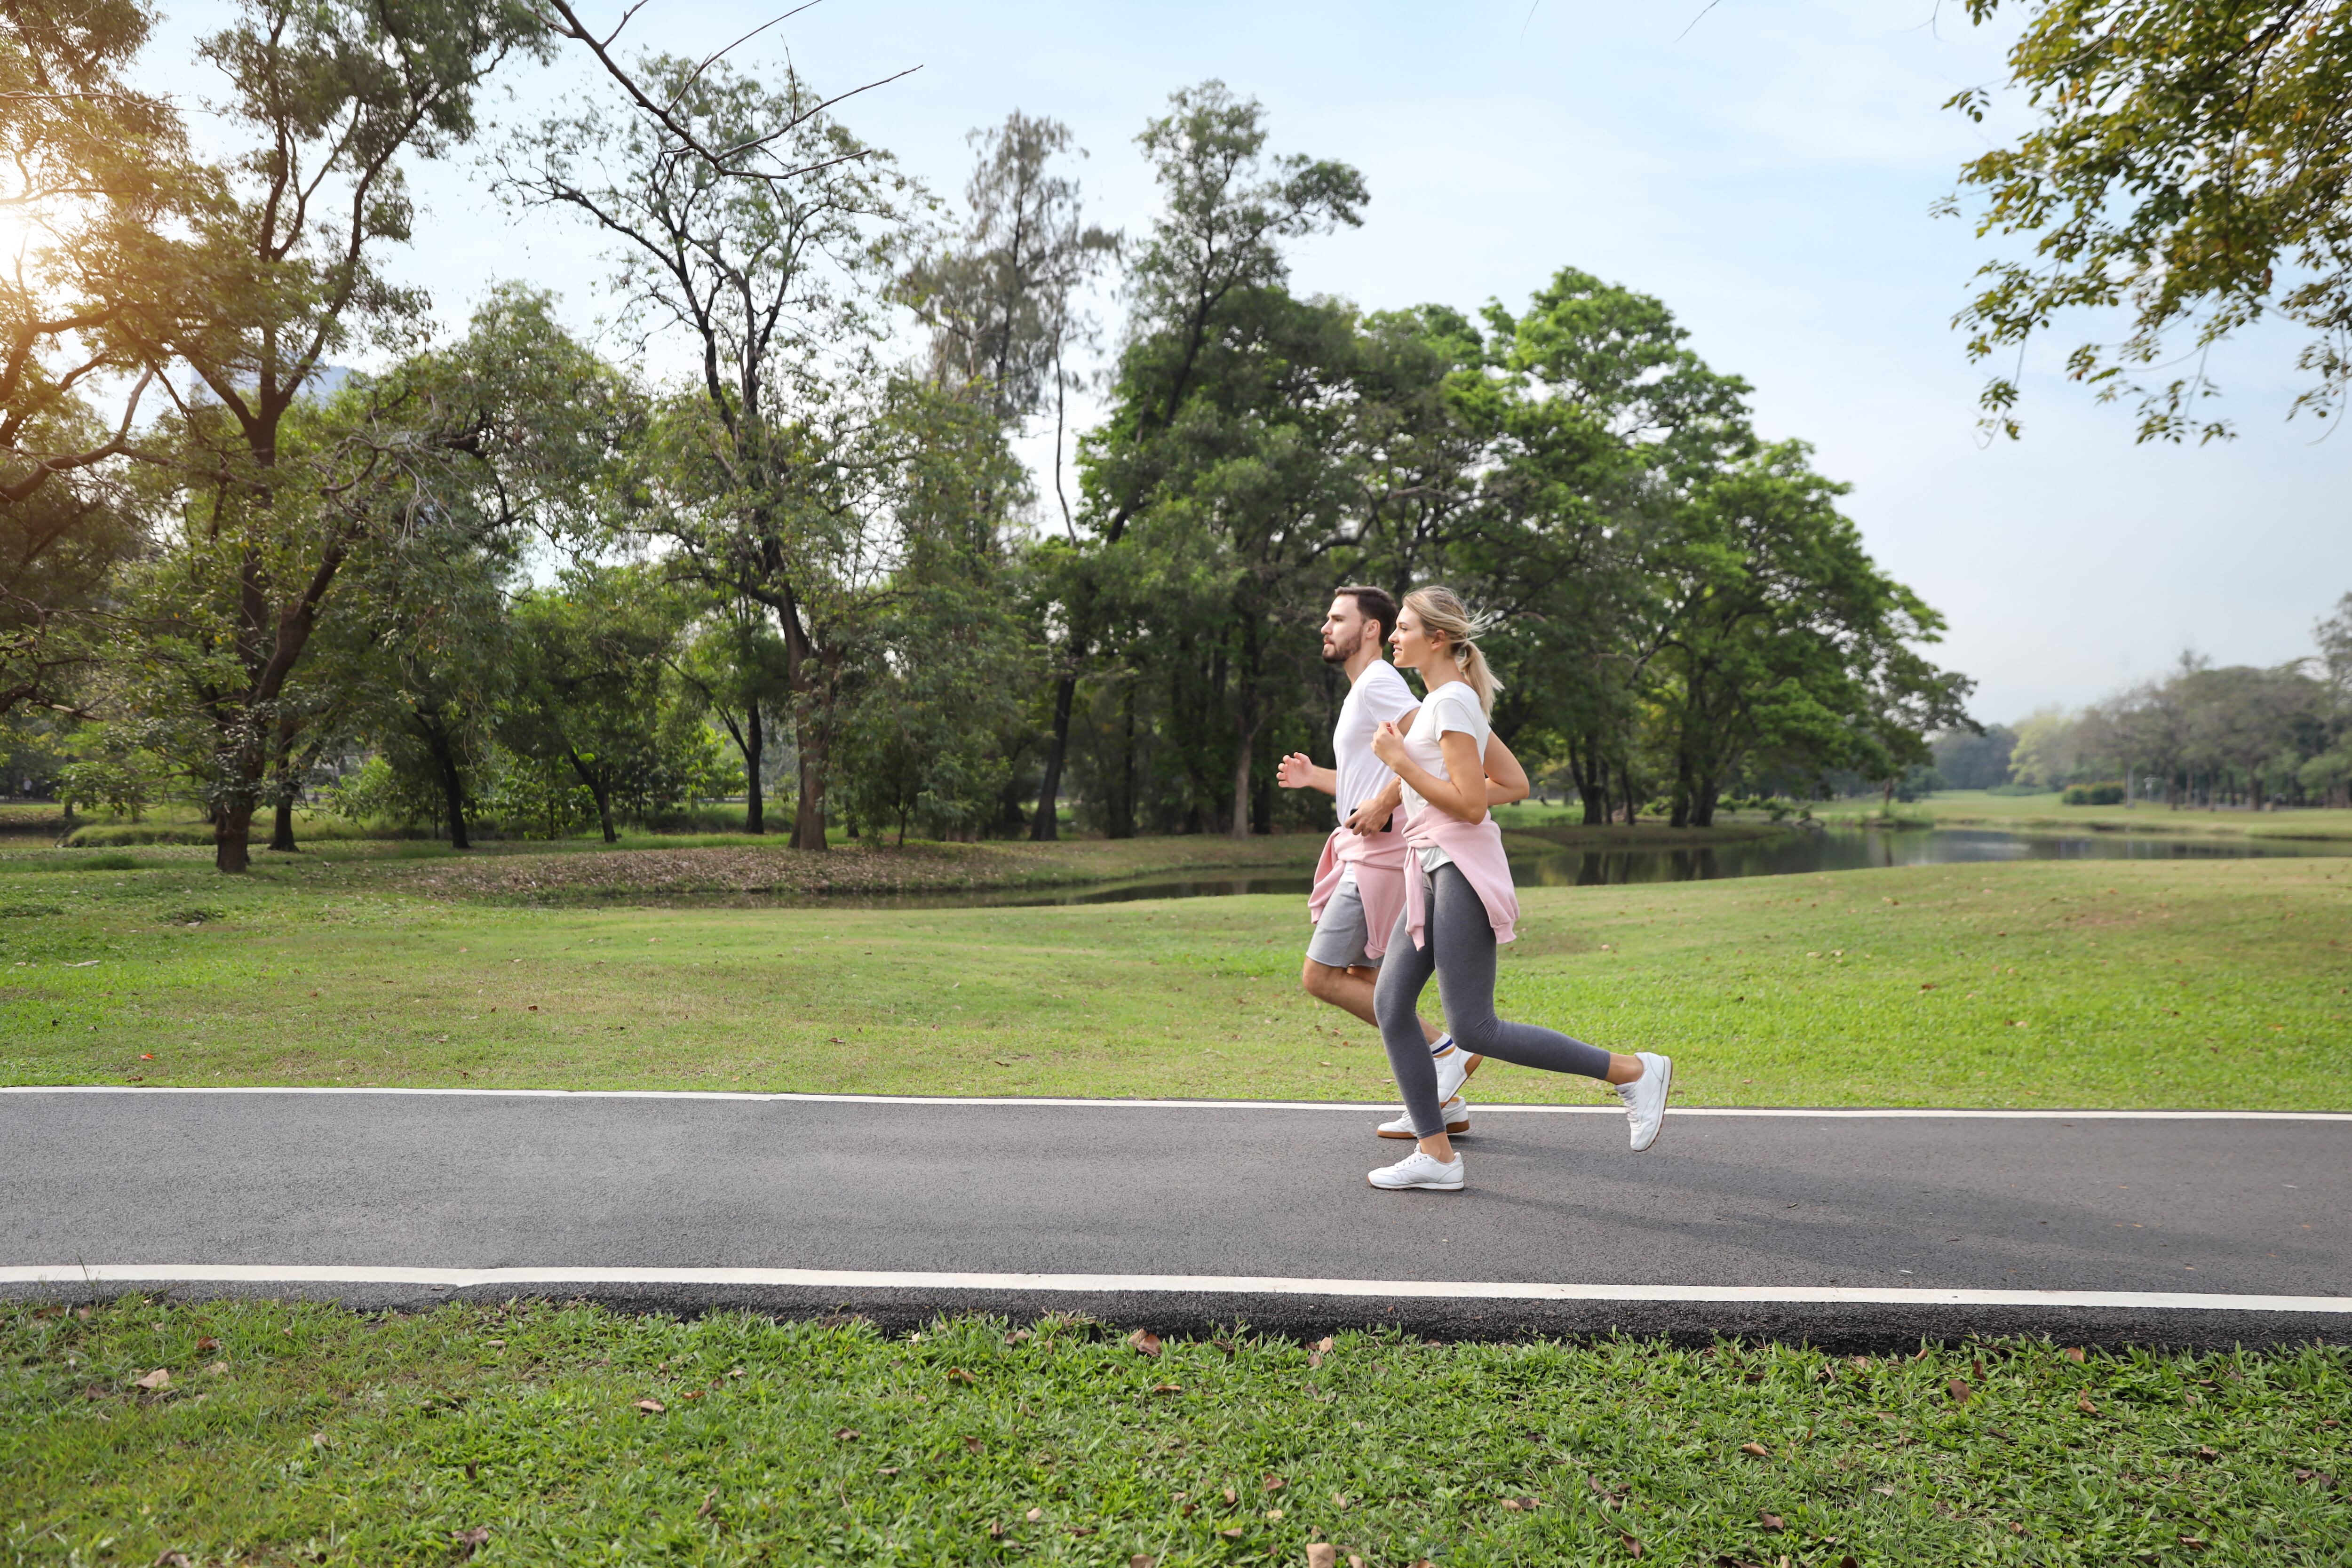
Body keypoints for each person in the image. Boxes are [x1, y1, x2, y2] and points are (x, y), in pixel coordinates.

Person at [1363, 586, 1671, 1192]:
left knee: (1475, 1028)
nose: (1392, 637)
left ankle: (1633, 1071)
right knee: (1390, 1003)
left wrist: (1402, 768)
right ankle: (1436, 1155)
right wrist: (1426, 794)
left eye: (1401, 628)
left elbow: (1475, 807)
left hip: (1458, 869)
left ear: (1438, 637)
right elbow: (1514, 782)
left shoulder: (1450, 702)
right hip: (1431, 866)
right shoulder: (1445, 704)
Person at [1276, 586, 1531, 1138]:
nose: (1325, 626)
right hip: (1374, 849)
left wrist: (1389, 800)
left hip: (1382, 855)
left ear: (1370, 628)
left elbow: (1421, 750)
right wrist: (1318, 778)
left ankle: (1445, 1056)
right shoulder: (1367, 688)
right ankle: (1441, 1111)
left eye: (1336, 617)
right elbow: (1378, 776)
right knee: (1369, 979)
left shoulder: (1384, 683)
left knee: (1321, 976)